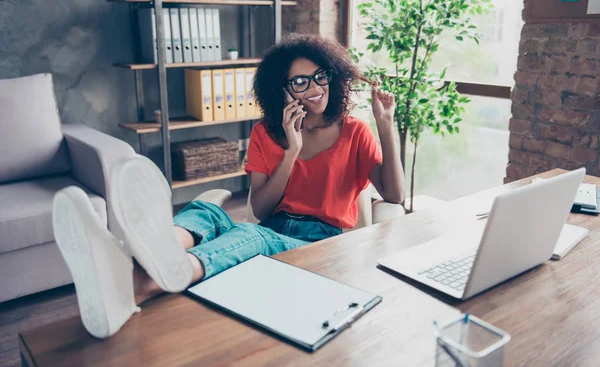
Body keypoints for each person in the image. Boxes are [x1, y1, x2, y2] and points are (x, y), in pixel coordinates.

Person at [52, 33, 406, 338]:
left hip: (320, 242)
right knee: (206, 211)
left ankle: (139, 276)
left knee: (252, 236)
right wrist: (291, 150)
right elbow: (262, 210)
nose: (314, 88)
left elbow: (394, 196)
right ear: (282, 91)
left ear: (333, 76)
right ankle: (142, 273)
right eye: (300, 82)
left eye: (319, 76)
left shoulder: (355, 131)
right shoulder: (266, 134)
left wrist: (385, 124)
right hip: (274, 227)